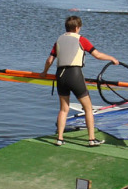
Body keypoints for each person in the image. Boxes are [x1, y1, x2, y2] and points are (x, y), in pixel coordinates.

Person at [41, 15, 119, 146]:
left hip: (60, 75)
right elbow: (97, 55)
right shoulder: (81, 39)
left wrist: (44, 72)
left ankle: (59, 139)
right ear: (77, 28)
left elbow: (49, 60)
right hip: (74, 74)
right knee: (88, 108)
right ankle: (91, 139)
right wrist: (112, 58)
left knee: (63, 109)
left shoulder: (59, 40)